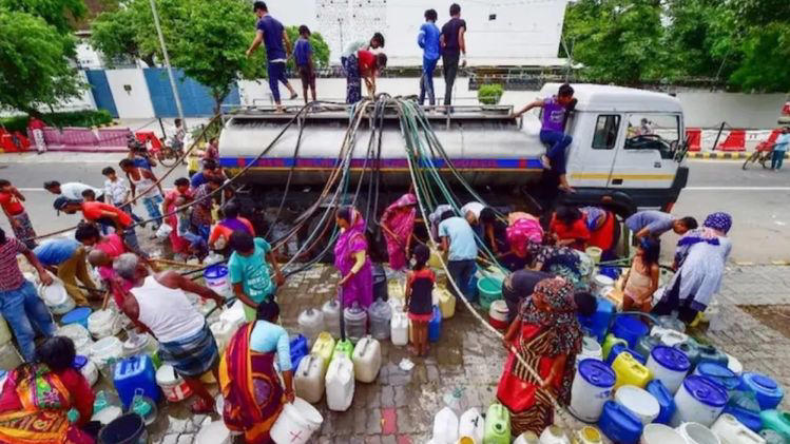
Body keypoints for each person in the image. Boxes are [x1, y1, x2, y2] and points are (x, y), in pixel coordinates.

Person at [114, 253, 224, 414]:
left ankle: (208, 402)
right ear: (139, 268)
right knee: (215, 363)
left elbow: (146, 328)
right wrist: (217, 297)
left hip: (172, 344)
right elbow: (202, 290)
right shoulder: (168, 277)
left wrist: (163, 340)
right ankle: (226, 391)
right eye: (141, 262)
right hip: (199, 332)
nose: (144, 263)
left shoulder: (129, 305)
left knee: (190, 377)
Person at [499, 278, 585, 436]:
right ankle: (503, 419)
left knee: (534, 400)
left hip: (545, 367)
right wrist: (509, 336)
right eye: (537, 295)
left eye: (544, 300)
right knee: (510, 387)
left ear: (554, 306)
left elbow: (563, 354)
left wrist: (551, 377)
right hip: (521, 355)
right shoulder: (530, 301)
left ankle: (528, 433)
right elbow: (519, 318)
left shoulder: (566, 323)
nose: (536, 298)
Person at [220, 300, 294, 443]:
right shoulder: (279, 332)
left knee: (243, 395)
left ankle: (243, 423)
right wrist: (289, 391)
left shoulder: (245, 328)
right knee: (271, 399)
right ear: (275, 318)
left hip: (229, 371)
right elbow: (285, 365)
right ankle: (262, 433)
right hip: (249, 376)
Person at [0, 337, 96, 444]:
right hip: (38, 431)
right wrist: (81, 424)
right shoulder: (70, 376)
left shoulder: (19, 372)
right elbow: (87, 404)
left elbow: (5, 399)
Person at [653, 212, 733, 325]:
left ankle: (662, 317)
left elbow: (681, 249)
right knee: (697, 295)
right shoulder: (728, 241)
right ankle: (684, 320)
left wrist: (677, 263)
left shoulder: (696, 233)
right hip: (712, 273)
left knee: (677, 291)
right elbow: (722, 259)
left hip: (693, 266)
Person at [0, 228, 55, 362]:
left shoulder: (11, 242)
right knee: (25, 332)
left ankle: (57, 344)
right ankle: (33, 362)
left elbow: (28, 252)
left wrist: (42, 271)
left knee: (45, 317)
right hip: (7, 296)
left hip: (24, 285)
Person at [511, 83, 578, 192]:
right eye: (568, 98)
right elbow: (533, 104)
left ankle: (564, 184)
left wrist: (570, 96)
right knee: (568, 139)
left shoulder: (566, 102)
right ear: (561, 96)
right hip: (546, 133)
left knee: (561, 158)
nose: (569, 100)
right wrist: (519, 112)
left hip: (556, 137)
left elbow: (574, 99)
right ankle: (547, 157)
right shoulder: (549, 102)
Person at [247, 1, 298, 113]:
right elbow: (288, 41)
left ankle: (278, 107)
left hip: (272, 57)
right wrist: (289, 53)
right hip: (282, 57)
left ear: (259, 10)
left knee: (272, 82)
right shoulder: (279, 23)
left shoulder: (261, 23)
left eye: (256, 13)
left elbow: (258, 39)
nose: (256, 15)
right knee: (279, 75)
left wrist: (250, 50)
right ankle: (292, 91)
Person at [229, 231, 284, 322]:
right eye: (248, 252)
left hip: (270, 294)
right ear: (238, 251)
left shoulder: (259, 242)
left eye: (253, 248)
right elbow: (239, 293)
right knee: (257, 328)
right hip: (253, 305)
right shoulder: (235, 265)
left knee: (276, 323)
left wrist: (278, 271)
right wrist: (258, 307)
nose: (252, 252)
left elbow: (269, 252)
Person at [55, 197, 141, 252]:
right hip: (118, 225)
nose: (65, 213)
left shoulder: (89, 209)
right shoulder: (85, 210)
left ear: (67, 206)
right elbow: (92, 226)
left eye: (64, 211)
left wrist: (119, 229)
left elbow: (114, 215)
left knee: (134, 249)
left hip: (125, 224)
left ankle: (150, 262)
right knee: (124, 248)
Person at [34, 238, 97, 306]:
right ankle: (95, 293)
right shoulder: (39, 249)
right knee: (83, 275)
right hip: (78, 247)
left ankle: (82, 302)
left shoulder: (33, 258)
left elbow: (51, 270)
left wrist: (59, 277)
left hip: (67, 254)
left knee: (66, 281)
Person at [334, 206, 374, 308]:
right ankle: (351, 312)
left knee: (361, 297)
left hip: (359, 275)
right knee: (350, 295)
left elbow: (360, 262)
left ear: (345, 220)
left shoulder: (357, 239)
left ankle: (362, 317)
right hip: (350, 272)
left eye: (338, 218)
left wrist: (347, 278)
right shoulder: (344, 231)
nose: (336, 220)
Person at [438, 210, 479, 301]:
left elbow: (445, 248)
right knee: (464, 280)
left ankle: (452, 303)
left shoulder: (442, 224)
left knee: (451, 282)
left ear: (443, 219)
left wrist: (440, 247)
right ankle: (463, 300)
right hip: (472, 255)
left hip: (457, 257)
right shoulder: (463, 220)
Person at [404, 245, 434, 357]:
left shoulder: (410, 274)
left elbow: (407, 292)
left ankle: (416, 350)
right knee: (424, 327)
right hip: (426, 304)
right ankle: (424, 349)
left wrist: (406, 304)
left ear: (415, 257)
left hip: (415, 305)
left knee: (415, 328)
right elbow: (431, 287)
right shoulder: (431, 273)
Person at [119, 158, 164, 228]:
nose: (122, 170)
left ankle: (164, 226)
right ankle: (159, 227)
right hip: (145, 197)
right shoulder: (128, 175)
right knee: (152, 213)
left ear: (129, 166)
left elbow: (156, 180)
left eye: (123, 168)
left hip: (155, 194)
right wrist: (133, 197)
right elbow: (132, 186)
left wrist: (161, 191)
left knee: (160, 212)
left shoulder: (144, 171)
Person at [380, 193, 418, 270]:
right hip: (391, 234)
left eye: (412, 206)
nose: (410, 209)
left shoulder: (412, 212)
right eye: (408, 207)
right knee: (393, 252)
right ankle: (394, 268)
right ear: (403, 205)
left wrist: (407, 246)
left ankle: (401, 268)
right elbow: (382, 223)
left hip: (403, 237)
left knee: (402, 252)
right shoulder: (392, 209)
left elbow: (410, 229)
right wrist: (393, 235)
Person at [621, 239, 660, 312]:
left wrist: (641, 298)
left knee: (645, 318)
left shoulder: (653, 268)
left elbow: (654, 287)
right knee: (624, 311)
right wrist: (625, 280)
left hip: (644, 294)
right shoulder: (636, 258)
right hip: (630, 289)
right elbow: (631, 270)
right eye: (638, 247)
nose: (637, 250)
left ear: (649, 253)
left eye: (640, 248)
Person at [440, 3, 467, 109]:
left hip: (445, 55)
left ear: (450, 13)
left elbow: (441, 41)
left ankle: (447, 103)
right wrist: (464, 55)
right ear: (459, 12)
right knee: (450, 81)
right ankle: (446, 106)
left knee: (448, 81)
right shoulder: (461, 23)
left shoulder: (445, 26)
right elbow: (460, 36)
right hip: (454, 54)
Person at [0, 179, 37, 249]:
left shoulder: (13, 192)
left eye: (10, 185)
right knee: (21, 233)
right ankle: (25, 247)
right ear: (1, 188)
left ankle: (33, 243)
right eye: (7, 186)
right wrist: (13, 221)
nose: (10, 187)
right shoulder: (1, 197)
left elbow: (23, 199)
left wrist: (17, 192)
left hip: (22, 213)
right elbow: (5, 210)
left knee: (29, 229)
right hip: (15, 216)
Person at [418, 9, 441, 106]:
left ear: (426, 17)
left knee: (427, 79)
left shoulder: (424, 26)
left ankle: (432, 104)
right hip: (436, 57)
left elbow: (419, 40)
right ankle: (421, 102)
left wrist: (424, 46)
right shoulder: (437, 29)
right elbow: (440, 44)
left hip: (428, 56)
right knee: (424, 79)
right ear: (435, 18)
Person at [626, 210, 697, 242]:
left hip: (638, 227)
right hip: (630, 228)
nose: (680, 234)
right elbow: (639, 235)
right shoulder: (664, 222)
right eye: (682, 232)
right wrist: (645, 245)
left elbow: (654, 234)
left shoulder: (671, 222)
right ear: (680, 224)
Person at [294, 25, 317, 105]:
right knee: (312, 87)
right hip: (307, 66)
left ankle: (306, 104)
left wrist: (297, 69)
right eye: (308, 34)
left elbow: (295, 57)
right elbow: (309, 57)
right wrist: (312, 70)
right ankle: (315, 104)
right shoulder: (306, 42)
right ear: (305, 32)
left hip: (300, 67)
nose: (308, 36)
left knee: (304, 87)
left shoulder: (296, 43)